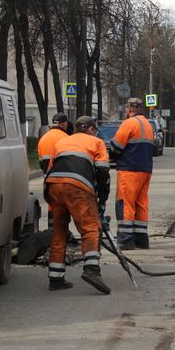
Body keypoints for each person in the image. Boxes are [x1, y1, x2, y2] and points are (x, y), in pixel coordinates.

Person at [44, 116, 111, 294]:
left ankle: (56, 278)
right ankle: (92, 271)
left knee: (59, 231)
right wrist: (102, 199)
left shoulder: (62, 142)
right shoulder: (96, 142)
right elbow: (103, 172)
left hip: (54, 186)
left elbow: (51, 167)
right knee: (91, 228)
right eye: (95, 129)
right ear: (90, 129)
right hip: (78, 187)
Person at [109, 97, 154, 250]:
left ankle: (126, 239)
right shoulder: (148, 125)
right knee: (141, 203)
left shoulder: (128, 123)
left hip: (129, 170)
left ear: (128, 109)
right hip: (145, 170)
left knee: (125, 203)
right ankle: (141, 239)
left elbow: (116, 146)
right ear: (141, 109)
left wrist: (111, 157)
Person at [37, 113, 71, 233]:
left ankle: (52, 231)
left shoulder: (43, 138)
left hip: (49, 179)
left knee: (52, 205)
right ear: (64, 123)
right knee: (65, 206)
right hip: (64, 179)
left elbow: (41, 163)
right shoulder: (66, 138)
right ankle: (63, 232)